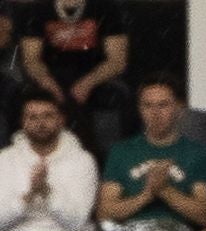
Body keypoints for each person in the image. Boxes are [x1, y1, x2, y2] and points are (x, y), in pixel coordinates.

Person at [95, 77, 206, 231]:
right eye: (147, 105)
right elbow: (105, 211)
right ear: (139, 109)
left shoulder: (198, 153)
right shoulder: (122, 151)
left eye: (163, 105)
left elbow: (205, 215)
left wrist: (166, 191)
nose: (155, 113)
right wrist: (148, 194)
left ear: (179, 107)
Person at [0, 89, 100, 231]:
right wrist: (28, 197)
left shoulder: (82, 160)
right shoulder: (5, 158)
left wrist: (47, 193)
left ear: (61, 120)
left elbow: (77, 221)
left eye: (48, 116)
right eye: (33, 117)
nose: (40, 123)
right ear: (23, 122)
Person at [21, 0, 127, 132]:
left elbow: (117, 61)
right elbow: (31, 60)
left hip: (96, 76)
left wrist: (88, 83)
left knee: (113, 95)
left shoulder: (107, 7)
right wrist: (47, 83)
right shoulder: (37, 9)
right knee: (26, 94)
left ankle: (108, 150)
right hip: (51, 76)